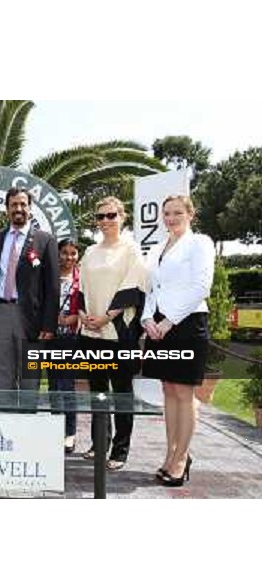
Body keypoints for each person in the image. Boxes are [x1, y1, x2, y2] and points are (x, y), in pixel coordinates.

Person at [141, 195, 215, 487]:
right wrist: (148, 320)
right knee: (168, 391)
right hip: (159, 327)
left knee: (184, 394)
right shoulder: (159, 247)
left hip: (187, 325)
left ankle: (182, 459)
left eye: (176, 213)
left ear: (190, 215)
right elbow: (152, 289)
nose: (170, 218)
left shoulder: (200, 243)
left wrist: (168, 321)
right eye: (166, 214)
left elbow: (201, 286)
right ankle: (171, 453)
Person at [79, 197, 147, 471]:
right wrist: (85, 316)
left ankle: (120, 449)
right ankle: (99, 442)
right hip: (91, 332)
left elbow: (133, 286)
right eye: (100, 216)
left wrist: (107, 316)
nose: (105, 221)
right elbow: (81, 286)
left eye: (111, 215)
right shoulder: (90, 252)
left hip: (119, 333)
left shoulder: (131, 250)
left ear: (122, 217)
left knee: (121, 392)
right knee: (97, 392)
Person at [0, 187, 59, 390]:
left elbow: (52, 286)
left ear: (30, 209)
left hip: (31, 317)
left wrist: (49, 325)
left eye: (23, 204)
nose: (18, 208)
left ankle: (27, 419)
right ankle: (7, 420)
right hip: (1, 313)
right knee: (3, 373)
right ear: (7, 209)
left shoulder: (45, 240)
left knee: (30, 375)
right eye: (14, 204)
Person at [48, 239, 81, 454]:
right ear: (58, 254)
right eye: (64, 253)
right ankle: (54, 429)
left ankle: (70, 433)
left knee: (66, 385)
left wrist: (74, 318)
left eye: (73, 253)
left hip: (71, 337)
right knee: (52, 385)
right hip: (51, 336)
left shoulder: (83, 278)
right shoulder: (50, 275)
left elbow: (89, 302)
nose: (68, 257)